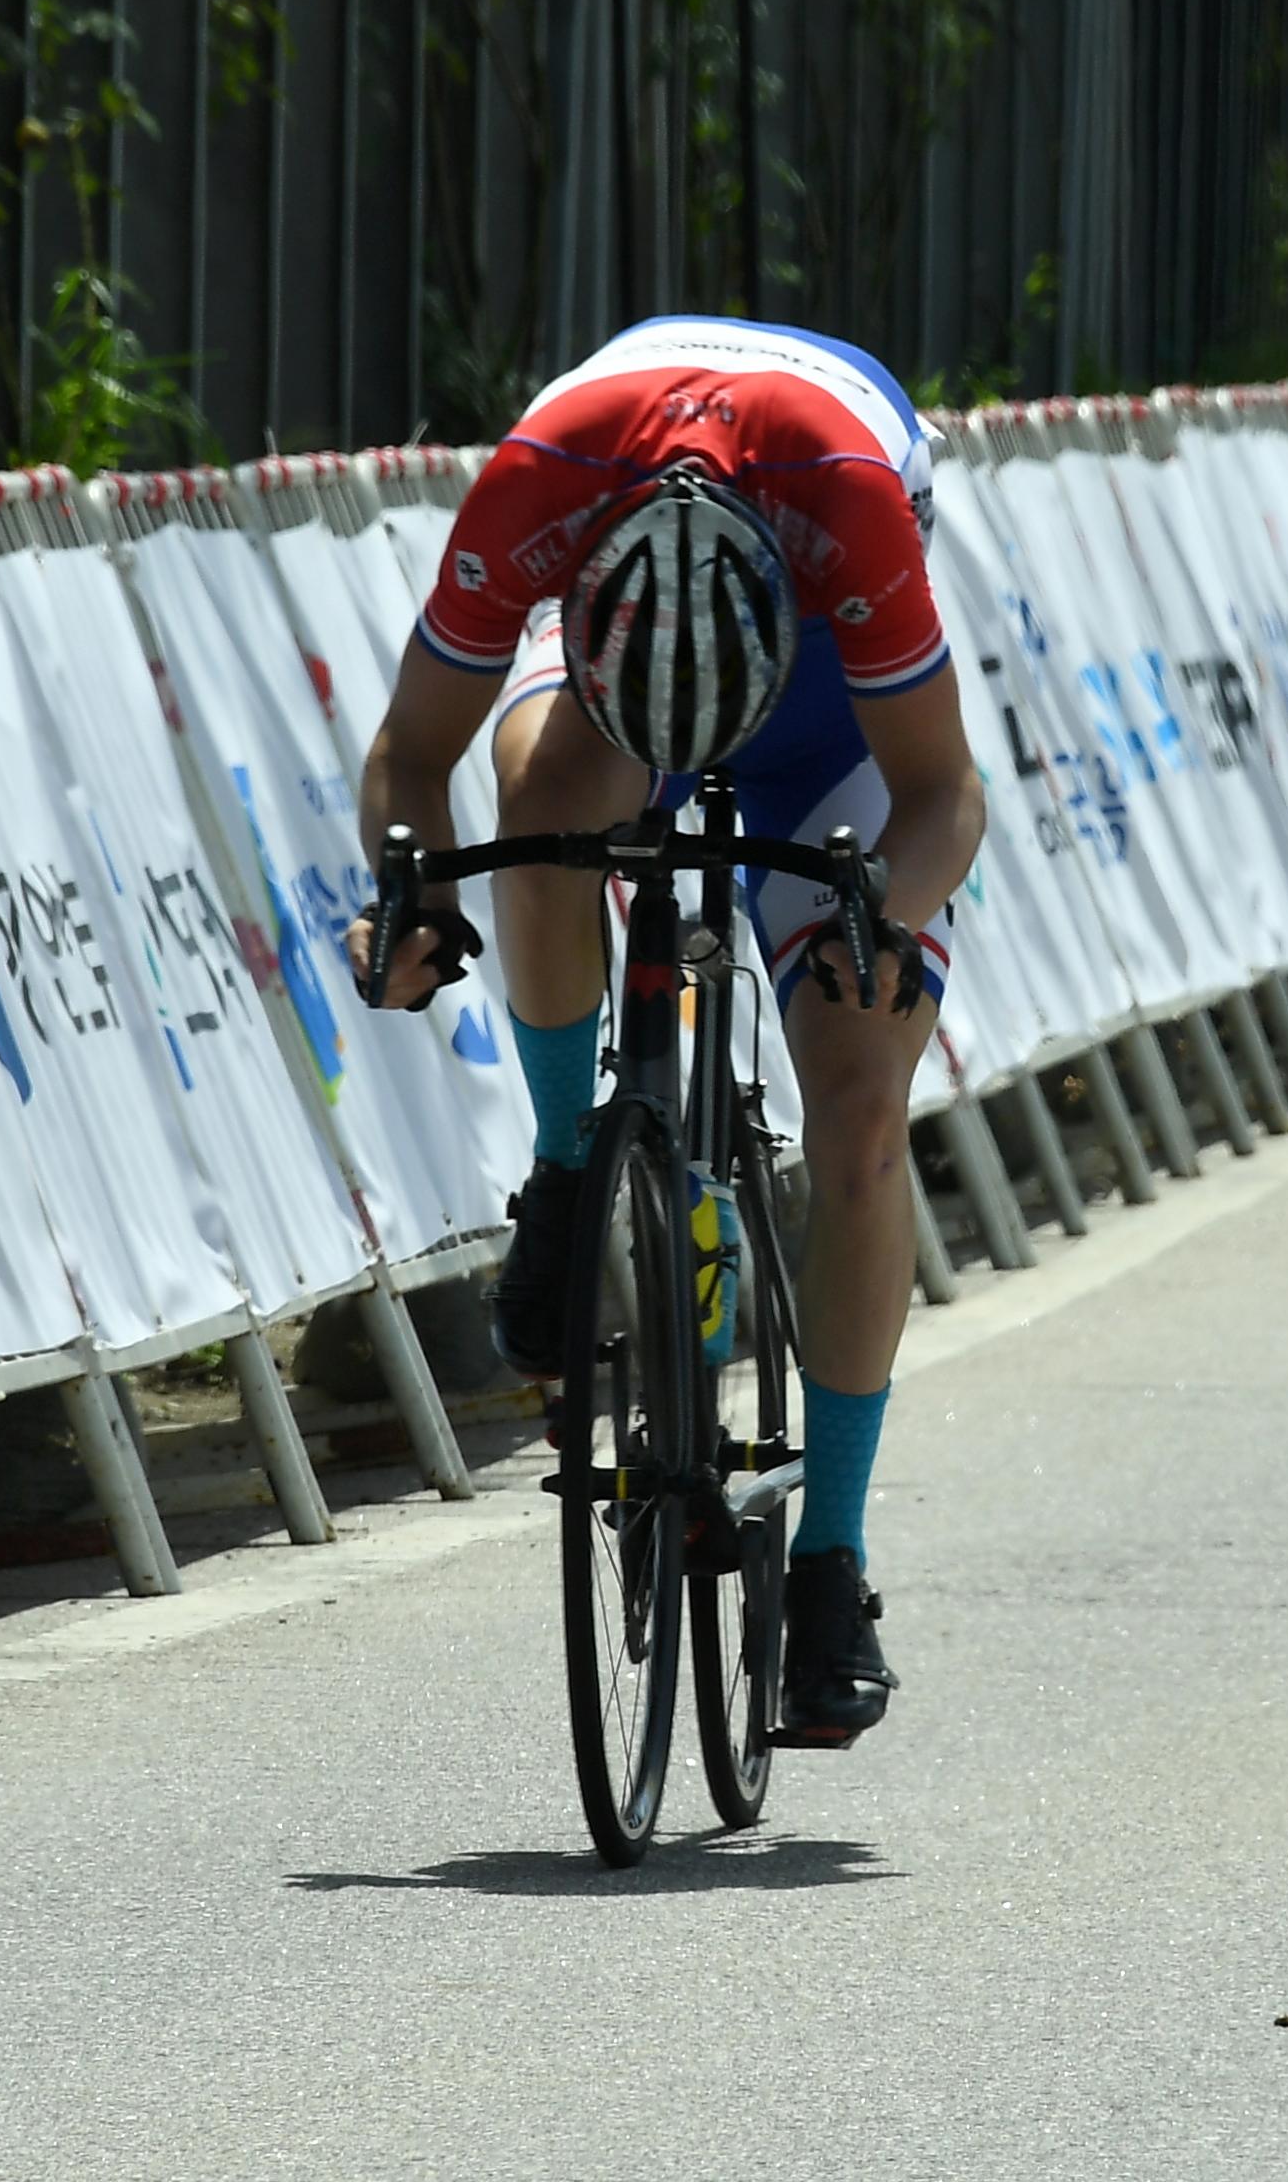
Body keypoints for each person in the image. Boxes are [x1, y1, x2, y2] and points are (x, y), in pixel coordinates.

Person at [343, 314, 987, 1745]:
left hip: (832, 721)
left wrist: (883, 915)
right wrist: (399, 894)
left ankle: (833, 1561)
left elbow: (942, 794)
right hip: (618, 674)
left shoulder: (848, 499)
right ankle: (572, 1164)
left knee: (864, 1103)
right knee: (540, 818)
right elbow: (413, 748)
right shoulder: (544, 476)